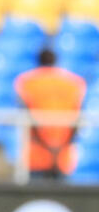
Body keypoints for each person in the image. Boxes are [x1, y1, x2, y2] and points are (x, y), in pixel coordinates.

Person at [16, 48, 87, 181]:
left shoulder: (27, 82)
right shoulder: (73, 83)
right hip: (63, 155)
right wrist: (58, 149)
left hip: (37, 154)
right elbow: (77, 120)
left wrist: (47, 147)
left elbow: (27, 117)